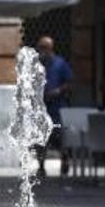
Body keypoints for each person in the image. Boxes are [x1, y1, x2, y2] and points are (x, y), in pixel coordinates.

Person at [36, 36, 74, 175]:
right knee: (41, 138)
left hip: (57, 106)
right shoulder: (37, 64)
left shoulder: (60, 63)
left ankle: (65, 160)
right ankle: (41, 166)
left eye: (43, 47)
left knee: (60, 136)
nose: (41, 50)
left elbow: (69, 82)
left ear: (50, 48)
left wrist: (58, 90)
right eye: (40, 47)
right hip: (42, 107)